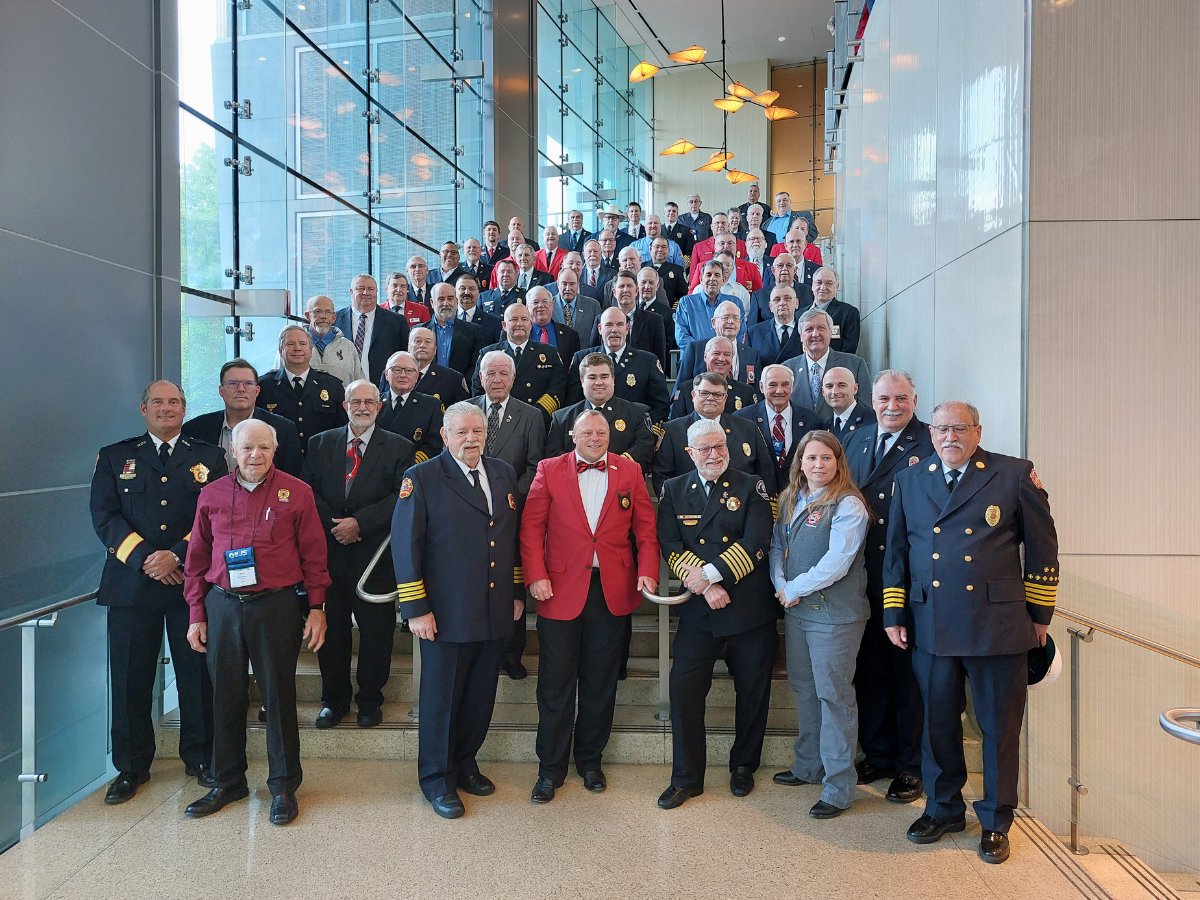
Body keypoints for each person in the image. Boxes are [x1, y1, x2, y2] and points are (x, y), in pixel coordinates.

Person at [883, 401, 1059, 865]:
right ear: (932, 433)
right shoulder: (911, 478)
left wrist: (1040, 614)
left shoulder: (1014, 473)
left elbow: (1043, 546)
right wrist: (894, 613)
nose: (949, 437)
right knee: (937, 723)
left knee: (999, 728)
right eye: (941, 429)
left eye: (959, 428)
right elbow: (897, 552)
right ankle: (944, 809)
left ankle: (997, 820)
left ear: (977, 431)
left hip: (997, 626)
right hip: (932, 622)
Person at [183, 418, 330, 825]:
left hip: (276, 606)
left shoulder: (297, 493)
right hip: (223, 606)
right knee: (224, 696)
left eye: (264, 448)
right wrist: (197, 613)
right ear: (232, 449)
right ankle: (228, 781)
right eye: (247, 447)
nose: (255, 455)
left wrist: (317, 607)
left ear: (274, 450)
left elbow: (315, 555)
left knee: (278, 697)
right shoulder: (211, 494)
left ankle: (283, 787)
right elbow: (196, 558)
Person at [91, 381, 228, 804]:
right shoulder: (115, 456)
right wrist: (148, 559)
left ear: (185, 409)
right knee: (130, 679)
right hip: (131, 586)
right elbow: (105, 516)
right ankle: (131, 767)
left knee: (196, 677)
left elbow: (218, 514)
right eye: (158, 402)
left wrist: (178, 556)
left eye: (174, 402)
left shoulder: (209, 456)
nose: (166, 408)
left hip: (191, 587)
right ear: (143, 408)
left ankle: (201, 757)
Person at [390, 402, 523, 818]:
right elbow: (405, 545)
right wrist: (415, 607)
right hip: (444, 614)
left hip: (493, 607)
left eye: (478, 432)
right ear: (445, 436)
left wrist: (516, 591)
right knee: (441, 700)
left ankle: (465, 764)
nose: (471, 439)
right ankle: (436, 779)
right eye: (462, 432)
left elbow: (508, 537)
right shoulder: (423, 478)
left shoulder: (502, 473)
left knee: (480, 696)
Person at [520, 409, 659, 802]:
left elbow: (646, 528)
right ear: (572, 434)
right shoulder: (549, 469)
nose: (595, 438)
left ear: (610, 436)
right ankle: (550, 769)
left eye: (601, 432)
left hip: (612, 590)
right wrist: (535, 574)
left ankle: (590, 761)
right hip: (558, 588)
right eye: (587, 432)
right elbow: (531, 527)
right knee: (555, 685)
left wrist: (648, 569)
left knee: (600, 683)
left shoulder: (629, 473)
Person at [655, 418, 776, 809]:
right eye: (705, 449)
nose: (714, 455)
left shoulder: (751, 485)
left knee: (752, 694)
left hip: (748, 610)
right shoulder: (674, 490)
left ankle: (743, 766)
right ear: (690, 453)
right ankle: (686, 778)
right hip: (700, 613)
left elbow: (757, 541)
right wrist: (706, 587)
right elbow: (671, 545)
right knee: (684, 692)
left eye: (719, 446)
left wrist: (711, 575)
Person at [770, 430, 871, 819]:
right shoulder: (792, 498)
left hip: (835, 617)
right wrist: (782, 586)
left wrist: (794, 587)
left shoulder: (849, 505)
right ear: (800, 463)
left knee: (834, 697)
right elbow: (778, 548)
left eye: (825, 458)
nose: (817, 465)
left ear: (838, 462)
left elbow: (838, 561)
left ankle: (838, 787)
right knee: (805, 689)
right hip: (796, 612)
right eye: (810, 458)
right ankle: (808, 766)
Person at [842, 370, 932, 802]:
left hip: (906, 580)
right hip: (860, 577)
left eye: (901, 398)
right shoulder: (858, 439)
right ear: (871, 400)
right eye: (884, 398)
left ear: (915, 400)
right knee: (870, 669)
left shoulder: (930, 442)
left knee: (906, 676)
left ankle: (910, 765)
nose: (891, 406)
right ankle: (877, 752)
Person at [303, 381, 413, 729]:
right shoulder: (320, 443)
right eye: (355, 401)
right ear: (344, 405)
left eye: (369, 401)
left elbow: (402, 496)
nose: (362, 407)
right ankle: (333, 702)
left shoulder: (399, 447)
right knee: (331, 633)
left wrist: (359, 524)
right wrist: (336, 525)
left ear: (379, 407)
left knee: (377, 635)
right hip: (329, 554)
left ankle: (370, 701)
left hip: (375, 558)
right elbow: (308, 492)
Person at [469, 350, 547, 681]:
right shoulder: (467, 412)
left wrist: (507, 497)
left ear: (513, 378)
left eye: (503, 373)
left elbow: (535, 466)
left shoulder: (530, 415)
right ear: (481, 377)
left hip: (512, 513)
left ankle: (511, 655)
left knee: (510, 584)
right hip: (470, 514)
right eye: (490, 373)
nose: (496, 380)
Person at [652, 372, 774, 495]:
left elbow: (765, 472)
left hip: (742, 508)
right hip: (690, 509)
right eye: (704, 393)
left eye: (717, 394)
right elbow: (661, 476)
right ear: (693, 395)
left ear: (725, 398)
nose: (710, 398)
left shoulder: (747, 428)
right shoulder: (672, 431)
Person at [183, 359, 303, 477]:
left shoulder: (283, 429)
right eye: (232, 383)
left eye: (248, 383)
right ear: (221, 390)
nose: (241, 389)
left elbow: (291, 481)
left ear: (257, 391)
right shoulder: (195, 429)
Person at [549, 352, 655, 471]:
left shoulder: (637, 414)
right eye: (592, 377)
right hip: (574, 483)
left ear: (613, 379)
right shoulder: (562, 418)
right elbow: (554, 455)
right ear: (582, 380)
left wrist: (612, 468)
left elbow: (644, 450)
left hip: (621, 482)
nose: (599, 382)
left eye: (604, 377)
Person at [567, 307, 670, 424]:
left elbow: (660, 406)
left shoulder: (648, 361)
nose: (614, 330)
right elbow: (572, 403)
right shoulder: (581, 358)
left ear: (627, 328)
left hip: (634, 434)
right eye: (609, 325)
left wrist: (643, 431)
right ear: (600, 329)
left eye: (619, 325)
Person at [471, 303, 567, 427]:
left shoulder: (549, 353)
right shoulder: (488, 353)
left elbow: (558, 388)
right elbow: (478, 389)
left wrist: (535, 415)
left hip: (537, 421)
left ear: (531, 324)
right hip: (498, 421)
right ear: (504, 326)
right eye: (513, 319)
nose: (519, 324)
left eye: (524, 319)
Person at [256, 325, 347, 453]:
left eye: (303, 344)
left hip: (321, 461)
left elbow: (343, 430)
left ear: (311, 351)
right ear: (280, 351)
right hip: (280, 463)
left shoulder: (332, 385)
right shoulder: (264, 386)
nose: (297, 348)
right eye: (290, 344)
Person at [735, 363, 822, 496]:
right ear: (761, 387)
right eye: (773, 384)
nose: (779, 390)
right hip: (756, 499)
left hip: (801, 498)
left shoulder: (812, 420)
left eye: (785, 384)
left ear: (792, 387)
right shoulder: (742, 419)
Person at [780, 309, 870, 422]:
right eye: (809, 329)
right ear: (801, 336)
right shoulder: (786, 369)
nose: (815, 334)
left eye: (821, 328)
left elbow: (866, 411)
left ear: (831, 332)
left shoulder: (855, 365)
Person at [333, 273, 411, 386]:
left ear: (377, 292)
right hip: (342, 387)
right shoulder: (335, 320)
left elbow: (405, 356)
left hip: (382, 388)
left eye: (371, 289)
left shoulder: (397, 322)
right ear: (351, 292)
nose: (366, 293)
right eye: (361, 288)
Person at [377, 351, 443, 463]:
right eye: (397, 369)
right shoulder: (373, 402)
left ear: (416, 376)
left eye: (409, 370)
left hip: (413, 470)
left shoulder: (432, 406)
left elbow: (433, 445)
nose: (403, 375)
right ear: (386, 374)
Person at [669, 337, 759, 419]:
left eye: (727, 354)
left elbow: (749, 430)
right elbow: (676, 428)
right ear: (705, 357)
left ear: (732, 358)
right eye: (716, 353)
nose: (721, 359)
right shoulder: (686, 389)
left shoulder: (745, 392)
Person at [676, 299, 760, 386]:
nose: (731, 322)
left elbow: (757, 392)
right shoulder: (695, 349)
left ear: (740, 323)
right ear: (713, 322)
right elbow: (681, 387)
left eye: (735, 318)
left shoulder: (752, 355)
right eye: (726, 317)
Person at [674, 262, 745, 355]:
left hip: (726, 359)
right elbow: (682, 337)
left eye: (717, 275)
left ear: (723, 280)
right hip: (694, 359)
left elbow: (740, 333)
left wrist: (720, 352)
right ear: (701, 279)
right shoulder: (686, 303)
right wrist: (709, 352)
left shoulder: (735, 303)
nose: (712, 278)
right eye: (708, 275)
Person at [421, 282, 484, 377]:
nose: (446, 303)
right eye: (441, 299)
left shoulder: (473, 331)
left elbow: (476, 365)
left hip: (460, 388)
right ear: (432, 302)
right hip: (425, 389)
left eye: (450, 298)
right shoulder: (419, 330)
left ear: (456, 301)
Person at [299, 294, 361, 388]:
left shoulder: (348, 346)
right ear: (307, 316)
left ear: (334, 317)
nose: (323, 316)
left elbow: (359, 384)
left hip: (340, 402)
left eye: (328, 312)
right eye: (317, 311)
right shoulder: (294, 344)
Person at [801, 267, 860, 355]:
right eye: (819, 283)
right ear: (812, 285)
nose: (823, 287)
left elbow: (848, 351)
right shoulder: (800, 313)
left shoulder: (848, 313)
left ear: (837, 287)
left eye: (828, 283)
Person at [409, 323, 471, 406]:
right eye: (417, 341)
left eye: (428, 342)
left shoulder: (453, 379)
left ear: (435, 350)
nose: (422, 345)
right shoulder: (394, 373)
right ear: (409, 348)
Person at [746, 283, 805, 367]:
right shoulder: (754, 333)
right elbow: (749, 366)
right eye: (777, 300)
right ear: (770, 306)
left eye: (787, 298)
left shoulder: (806, 330)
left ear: (796, 303)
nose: (782, 303)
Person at [748, 253, 814, 326]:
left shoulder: (808, 292)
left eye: (789, 265)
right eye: (780, 266)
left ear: (795, 270)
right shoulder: (759, 296)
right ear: (773, 270)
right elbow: (752, 328)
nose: (784, 269)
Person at [528, 285, 582, 362]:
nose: (541, 305)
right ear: (527, 307)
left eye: (545, 301)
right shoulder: (521, 333)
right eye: (535, 302)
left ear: (552, 305)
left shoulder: (570, 335)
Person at [551, 266, 603, 342]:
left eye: (572, 284)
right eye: (564, 284)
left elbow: (598, 337)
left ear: (578, 284)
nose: (568, 288)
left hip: (585, 353)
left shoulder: (593, 306)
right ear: (558, 284)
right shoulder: (548, 305)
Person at [823, 366, 876, 439]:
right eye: (829, 386)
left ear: (855, 389)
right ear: (823, 392)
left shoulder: (873, 421)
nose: (834, 392)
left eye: (841, 385)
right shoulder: (824, 429)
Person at [454, 272, 503, 345]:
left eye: (471, 288)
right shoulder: (446, 319)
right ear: (455, 292)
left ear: (478, 293)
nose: (467, 292)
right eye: (462, 288)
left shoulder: (493, 323)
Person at [649, 237, 688, 309]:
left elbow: (683, 295)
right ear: (650, 249)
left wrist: (672, 310)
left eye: (664, 247)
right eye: (657, 247)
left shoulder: (677, 270)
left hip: (667, 312)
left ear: (669, 250)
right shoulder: (642, 268)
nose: (660, 250)